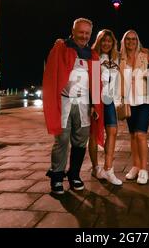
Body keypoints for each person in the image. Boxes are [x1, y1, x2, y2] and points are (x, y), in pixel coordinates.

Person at [42, 18, 104, 195]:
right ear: (73, 30)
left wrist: (94, 105)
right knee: (61, 140)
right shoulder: (61, 48)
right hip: (64, 100)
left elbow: (96, 82)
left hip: (84, 103)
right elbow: (52, 75)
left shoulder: (93, 55)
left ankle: (74, 175)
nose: (84, 36)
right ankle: (56, 176)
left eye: (87, 33)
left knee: (80, 141)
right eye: (81, 32)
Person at [120, 30, 149, 185]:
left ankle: (143, 169)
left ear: (138, 40)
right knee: (133, 135)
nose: (131, 42)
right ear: (124, 41)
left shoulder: (145, 55)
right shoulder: (119, 58)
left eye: (134, 39)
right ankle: (135, 166)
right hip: (129, 102)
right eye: (128, 39)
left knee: (141, 134)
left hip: (146, 100)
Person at [88, 29, 122, 186]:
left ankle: (109, 169)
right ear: (99, 41)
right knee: (94, 134)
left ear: (113, 43)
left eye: (109, 41)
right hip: (97, 100)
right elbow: (92, 81)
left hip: (110, 100)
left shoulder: (115, 58)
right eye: (104, 41)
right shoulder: (93, 56)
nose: (107, 43)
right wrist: (93, 104)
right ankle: (96, 167)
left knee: (112, 131)